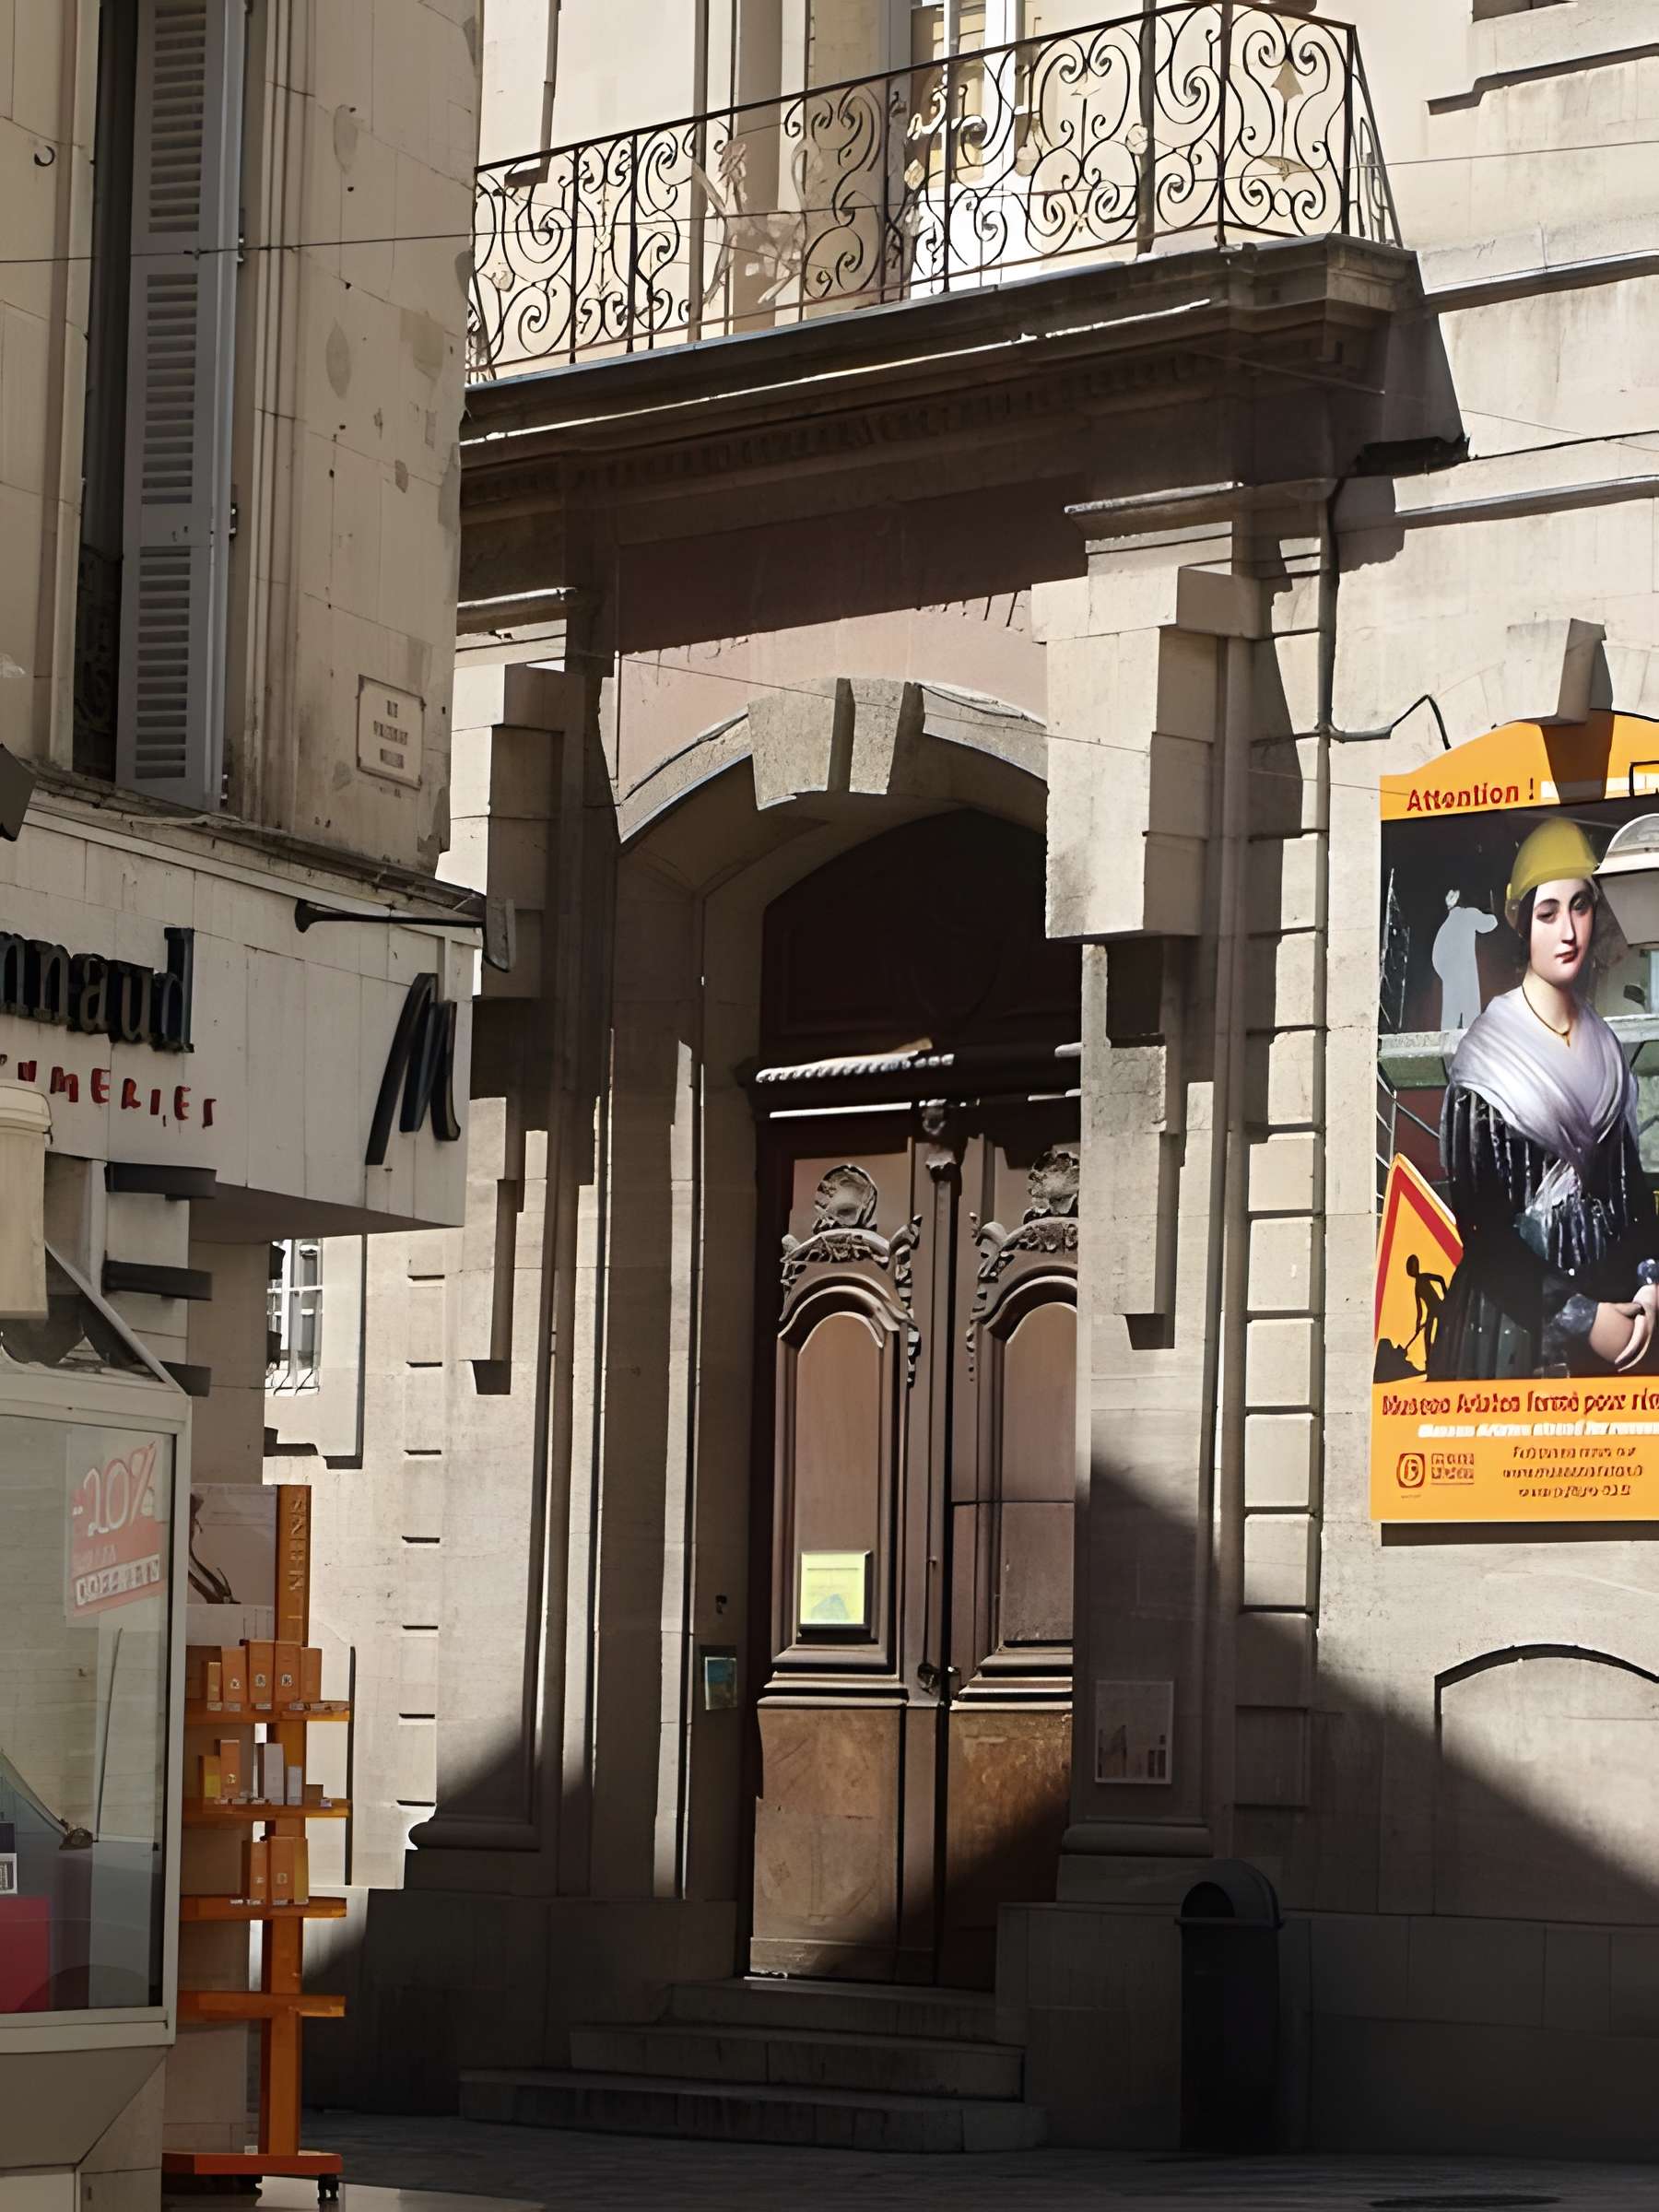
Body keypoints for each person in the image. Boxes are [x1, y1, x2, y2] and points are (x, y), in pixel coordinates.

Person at [1428, 818, 1659, 1380]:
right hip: (1514, 1330)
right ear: (1522, 924)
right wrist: (1580, 1316)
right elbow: (1482, 1227)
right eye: (1548, 912)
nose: (1568, 932)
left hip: (1616, 1327)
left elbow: (1629, 1194)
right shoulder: (1487, 1057)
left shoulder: (1605, 1048)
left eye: (1580, 907)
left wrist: (1650, 1287)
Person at [1430, 887, 1498, 1031]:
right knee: (1470, 1016)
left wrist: (1446, 975)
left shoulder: (1445, 927)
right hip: (1466, 975)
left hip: (1451, 979)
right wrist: (1491, 913)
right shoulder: (1468, 914)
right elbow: (1490, 924)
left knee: (1450, 1021)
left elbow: (1436, 957)